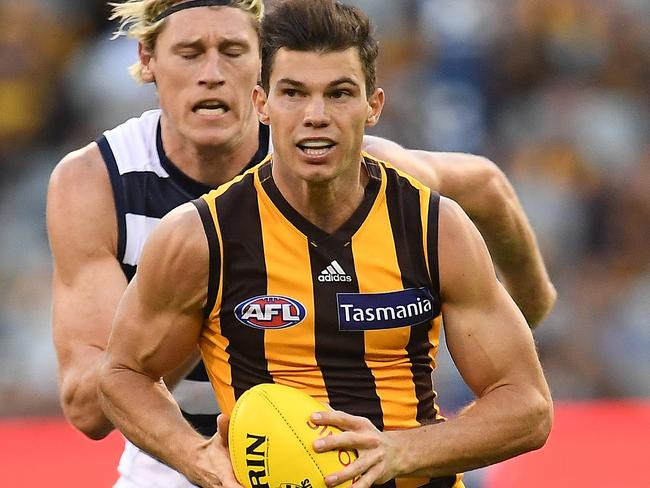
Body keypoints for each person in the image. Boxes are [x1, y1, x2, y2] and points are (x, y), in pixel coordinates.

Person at [47, 0, 554, 486]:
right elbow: (96, 403)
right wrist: (204, 302)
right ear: (148, 60)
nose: (212, 73)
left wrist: (529, 305)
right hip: (183, 451)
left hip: (389, 458)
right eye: (190, 53)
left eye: (232, 51)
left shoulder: (389, 190)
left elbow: (485, 184)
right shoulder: (117, 191)